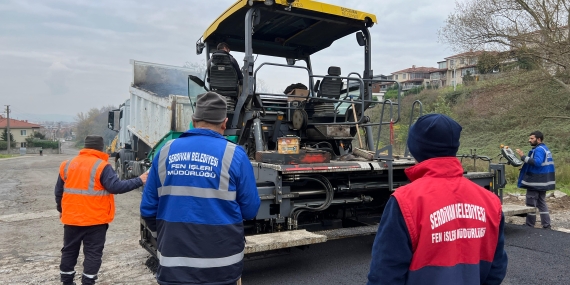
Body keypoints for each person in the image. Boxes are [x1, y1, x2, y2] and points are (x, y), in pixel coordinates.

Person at [367, 114, 508, 285]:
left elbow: (384, 275)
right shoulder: (490, 202)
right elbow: (496, 268)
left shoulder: (405, 201)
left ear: (415, 148)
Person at [140, 91, 260, 285]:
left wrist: (165, 238)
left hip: (173, 268)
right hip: (223, 269)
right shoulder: (235, 155)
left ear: (193, 120)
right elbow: (250, 209)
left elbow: (147, 209)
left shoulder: (165, 152)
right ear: (224, 123)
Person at [55, 135, 148, 285]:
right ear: (100, 148)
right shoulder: (102, 166)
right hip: (95, 220)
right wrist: (140, 180)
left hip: (71, 218)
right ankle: (88, 282)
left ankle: (66, 281)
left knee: (69, 250)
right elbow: (115, 187)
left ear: (85, 147)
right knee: (92, 253)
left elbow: (59, 191)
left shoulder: (67, 164)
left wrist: (61, 209)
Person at [516, 131, 555, 229]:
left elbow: (537, 162)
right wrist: (526, 167)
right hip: (544, 181)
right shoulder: (545, 148)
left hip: (536, 181)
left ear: (538, 139)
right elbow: (541, 164)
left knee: (530, 203)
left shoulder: (539, 150)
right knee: (541, 203)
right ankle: (546, 225)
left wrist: (523, 157)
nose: (529, 140)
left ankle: (529, 225)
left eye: (532, 138)